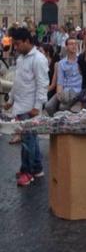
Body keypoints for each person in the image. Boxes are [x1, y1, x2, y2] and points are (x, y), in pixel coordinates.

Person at [4, 28, 49, 186]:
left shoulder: (39, 59)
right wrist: (11, 99)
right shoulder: (22, 58)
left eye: (17, 44)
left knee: (27, 141)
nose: (15, 47)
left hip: (30, 107)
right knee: (31, 139)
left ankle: (27, 172)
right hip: (21, 105)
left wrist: (37, 106)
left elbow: (43, 84)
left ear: (27, 41)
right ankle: (36, 168)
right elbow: (17, 82)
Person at [45, 38, 82, 115]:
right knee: (48, 106)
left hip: (77, 90)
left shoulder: (81, 60)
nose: (74, 46)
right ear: (66, 47)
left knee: (62, 107)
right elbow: (60, 82)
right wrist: (59, 94)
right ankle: (57, 121)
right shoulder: (62, 63)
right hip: (65, 90)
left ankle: (64, 121)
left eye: (75, 44)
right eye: (71, 44)